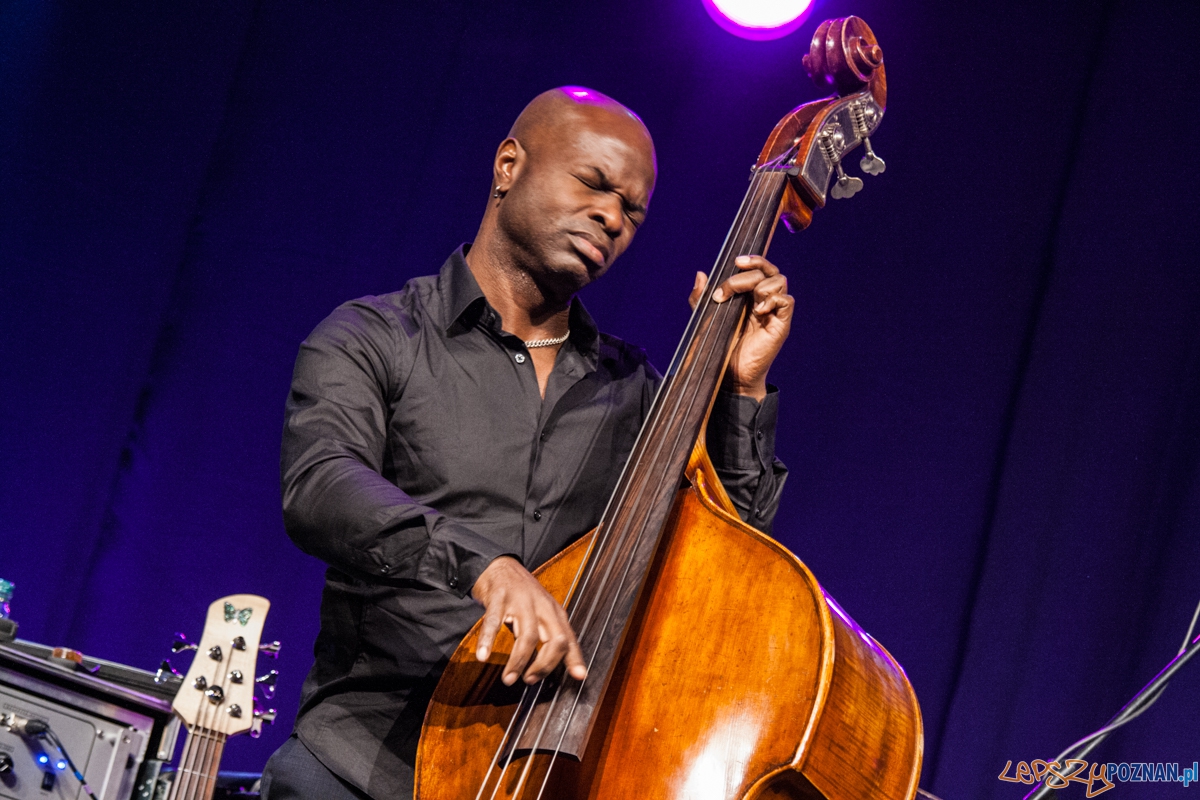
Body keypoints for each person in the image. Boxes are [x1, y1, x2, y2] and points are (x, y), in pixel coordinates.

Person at [260, 86, 794, 800]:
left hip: (541, 773)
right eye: (594, 184)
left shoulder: (636, 391)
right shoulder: (375, 338)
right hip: (365, 765)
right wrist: (484, 566)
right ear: (508, 165)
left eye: (633, 211)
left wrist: (741, 391)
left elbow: (727, 551)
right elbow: (322, 486)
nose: (612, 218)